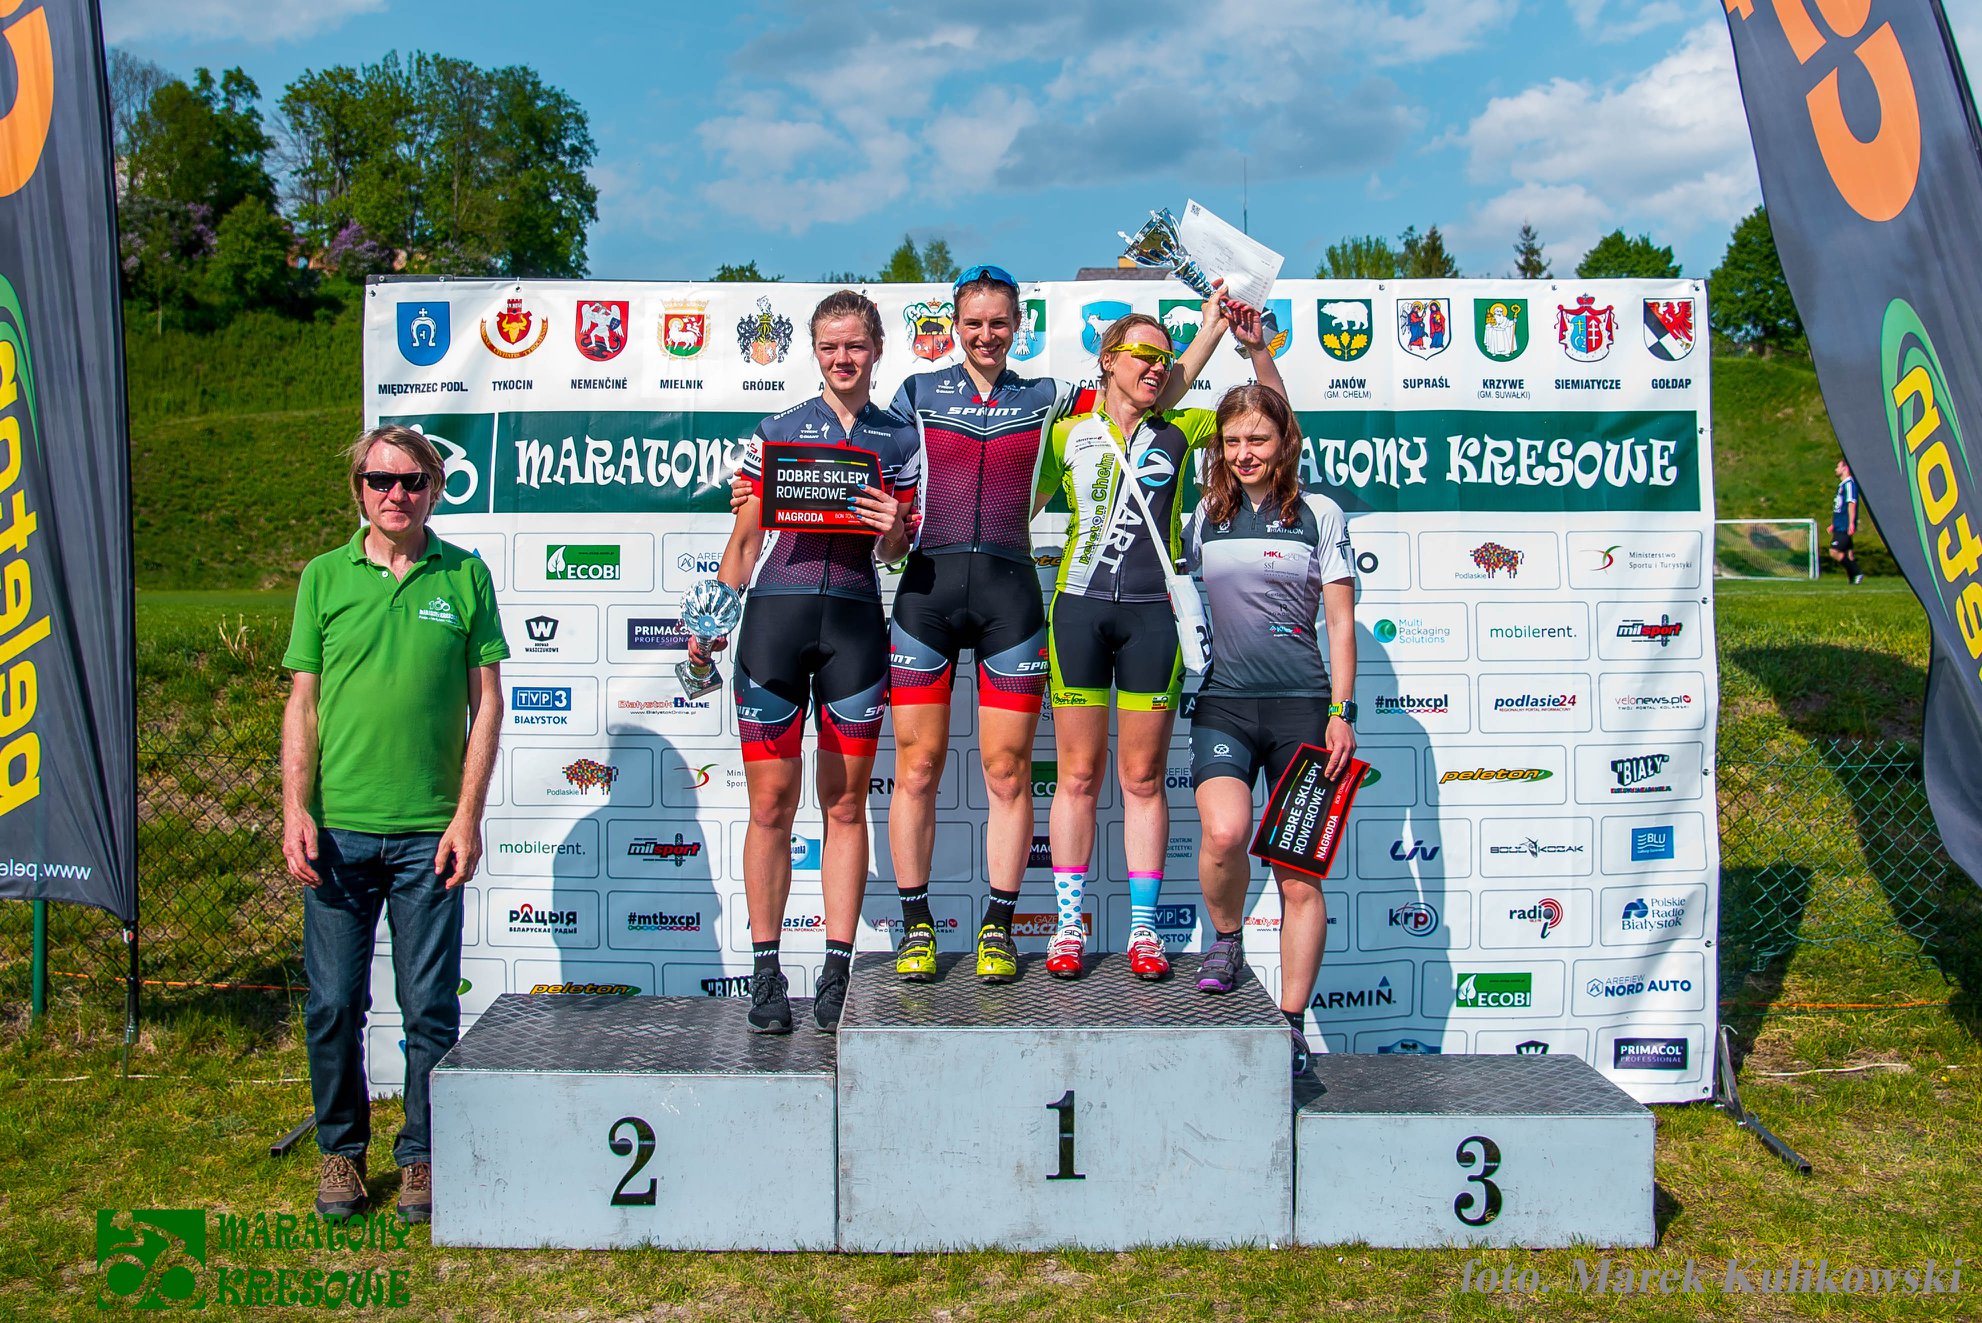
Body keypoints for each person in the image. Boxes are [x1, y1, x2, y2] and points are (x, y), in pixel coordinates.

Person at [883, 265, 1226, 983]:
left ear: (1019, 326)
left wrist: (1214, 327)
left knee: (1009, 772)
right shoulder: (916, 392)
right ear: (954, 325)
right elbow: (873, 462)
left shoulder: (1051, 399)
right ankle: (916, 926)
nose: (986, 334)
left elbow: (1153, 388)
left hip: (1010, 595)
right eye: (973, 322)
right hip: (926, 592)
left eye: (998, 322)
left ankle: (999, 928)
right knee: (914, 769)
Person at [281, 424, 508, 1221]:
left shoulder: (466, 575)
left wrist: (467, 815)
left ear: (435, 489)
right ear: (359, 489)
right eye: (380, 480)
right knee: (334, 1005)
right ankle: (341, 1152)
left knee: (429, 1008)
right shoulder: (323, 577)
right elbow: (303, 704)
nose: (396, 493)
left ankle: (422, 1157)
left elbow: (488, 704)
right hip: (337, 833)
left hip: (428, 836)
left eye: (412, 480)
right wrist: (295, 809)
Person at [1034, 296, 1285, 980]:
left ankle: (1144, 929)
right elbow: (1012, 505)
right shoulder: (1066, 435)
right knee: (1077, 776)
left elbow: (1271, 418)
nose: (1155, 366)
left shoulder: (1183, 427)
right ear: (1107, 360)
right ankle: (1067, 925)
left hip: (1154, 618)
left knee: (1142, 778)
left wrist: (1238, 338)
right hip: (1079, 612)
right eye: (1142, 354)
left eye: (1164, 359)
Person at [693, 290, 918, 1032]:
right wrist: (710, 621)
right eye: (829, 346)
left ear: (876, 348)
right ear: (814, 352)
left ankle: (836, 970)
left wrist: (894, 527)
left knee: (845, 805)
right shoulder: (778, 430)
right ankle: (765, 973)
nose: (842, 358)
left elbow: (896, 550)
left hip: (854, 624)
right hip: (775, 624)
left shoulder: (899, 437)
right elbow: (745, 539)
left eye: (854, 345)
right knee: (769, 807)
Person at [1184, 386, 1357, 1076]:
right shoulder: (1205, 514)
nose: (1244, 453)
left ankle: (1289, 1023)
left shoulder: (1319, 513)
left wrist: (1342, 712)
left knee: (1299, 877)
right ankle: (1226, 939)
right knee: (1225, 834)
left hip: (1303, 710)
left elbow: (1339, 622)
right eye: (1232, 441)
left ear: (1284, 442)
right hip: (1224, 702)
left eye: (1257, 439)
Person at [1831, 458, 1863, 584]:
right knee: (1849, 554)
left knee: (1834, 552)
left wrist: (1851, 523)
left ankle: (1857, 572)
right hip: (1839, 524)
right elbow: (1840, 507)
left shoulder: (1849, 484)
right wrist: (1833, 524)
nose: (1836, 469)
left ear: (1845, 468)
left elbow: (1851, 504)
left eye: (1838, 466)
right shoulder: (1842, 485)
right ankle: (1853, 579)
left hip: (1844, 525)